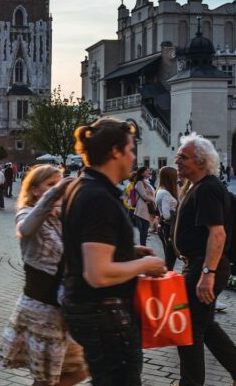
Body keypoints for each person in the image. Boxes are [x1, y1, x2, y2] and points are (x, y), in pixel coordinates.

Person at [60, 118, 167, 386]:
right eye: (130, 149)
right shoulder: (99, 197)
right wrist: (147, 266)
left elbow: (85, 246)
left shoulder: (81, 186)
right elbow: (98, 273)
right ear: (115, 151)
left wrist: (127, 251)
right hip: (105, 314)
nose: (133, 157)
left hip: (89, 309)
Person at [173, 134, 236, 386]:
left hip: (204, 266)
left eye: (183, 156)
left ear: (201, 162)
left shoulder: (209, 188)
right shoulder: (196, 186)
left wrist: (207, 273)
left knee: (188, 328)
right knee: (205, 326)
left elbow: (218, 232)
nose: (177, 160)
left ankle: (190, 383)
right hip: (199, 265)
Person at [0, 165, 88, 386]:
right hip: (41, 308)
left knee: (79, 370)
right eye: (50, 185)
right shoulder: (27, 212)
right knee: (46, 379)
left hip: (63, 307)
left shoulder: (61, 215)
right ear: (35, 190)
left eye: (58, 184)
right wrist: (54, 195)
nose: (56, 189)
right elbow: (26, 229)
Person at [155, 166, 180, 270]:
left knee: (169, 257)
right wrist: (178, 212)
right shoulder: (165, 193)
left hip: (165, 228)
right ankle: (167, 280)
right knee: (170, 258)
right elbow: (166, 215)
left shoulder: (160, 190)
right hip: (169, 228)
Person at [132, 167, 158, 246]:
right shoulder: (139, 183)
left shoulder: (147, 182)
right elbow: (144, 195)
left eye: (149, 170)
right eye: (147, 171)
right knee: (144, 228)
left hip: (147, 207)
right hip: (143, 208)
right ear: (142, 173)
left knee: (145, 228)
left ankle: (143, 245)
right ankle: (143, 246)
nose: (149, 171)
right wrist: (154, 200)